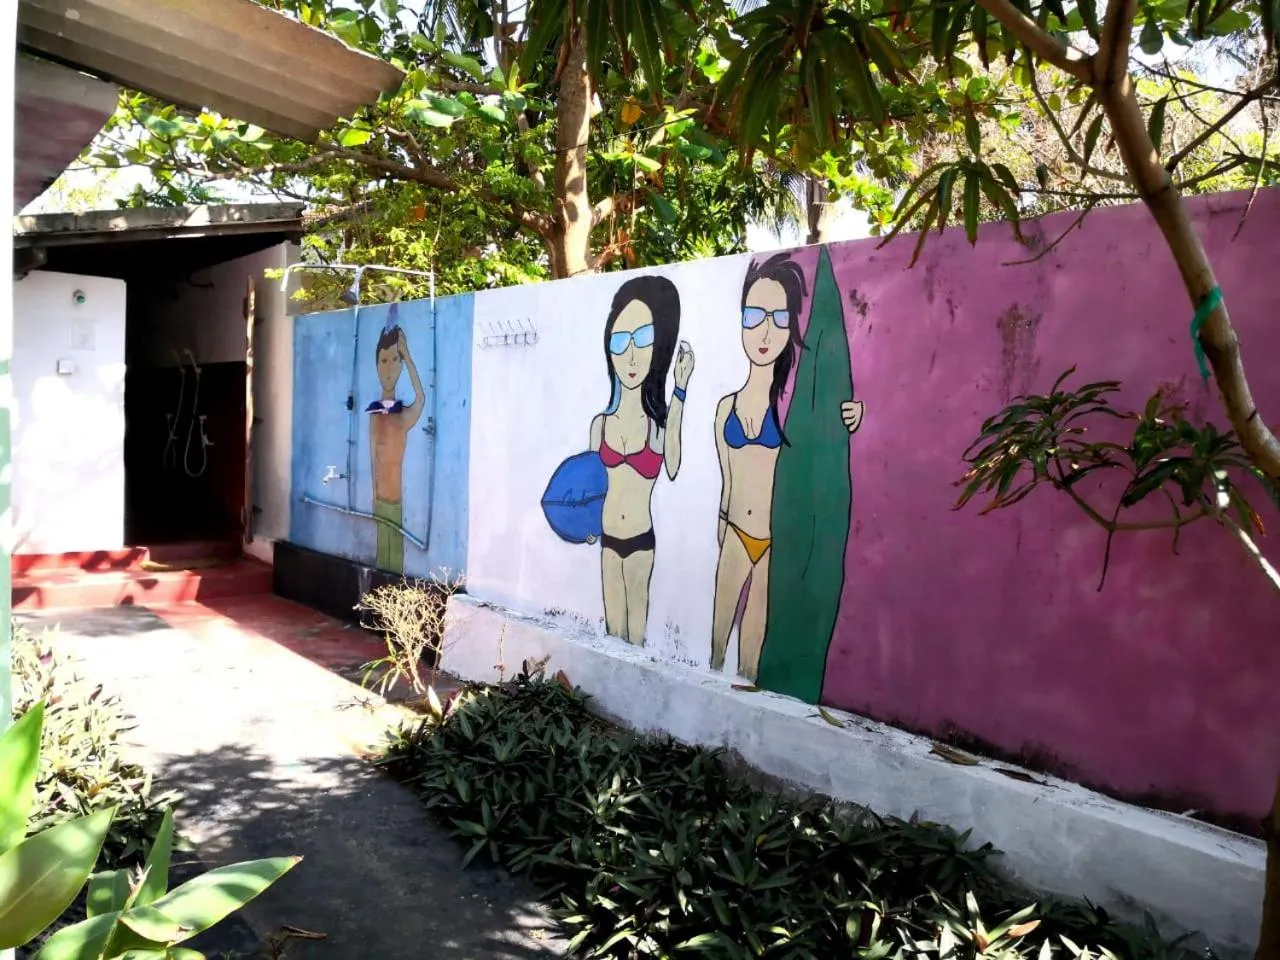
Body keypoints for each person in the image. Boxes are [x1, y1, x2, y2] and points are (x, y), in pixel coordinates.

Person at [710, 253, 863, 681]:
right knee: (715, 646)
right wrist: (720, 527)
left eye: (778, 318)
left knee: (750, 662)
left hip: (772, 546)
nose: (764, 330)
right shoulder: (725, 409)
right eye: (754, 315)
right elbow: (727, 480)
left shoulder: (792, 409)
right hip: (734, 534)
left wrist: (857, 414)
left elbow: (824, 437)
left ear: (792, 327)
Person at [585, 275, 694, 646]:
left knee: (635, 639)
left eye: (643, 338)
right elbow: (591, 483)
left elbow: (674, 465)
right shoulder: (599, 425)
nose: (631, 355)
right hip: (606, 540)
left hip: (640, 542)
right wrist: (585, 525)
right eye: (620, 341)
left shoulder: (656, 426)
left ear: (658, 346)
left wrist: (680, 390)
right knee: (611, 636)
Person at [367, 303, 423, 574]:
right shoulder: (375, 413)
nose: (389, 369)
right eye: (383, 361)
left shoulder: (403, 416)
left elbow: (420, 399)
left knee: (395, 559)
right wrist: (372, 494)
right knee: (382, 557)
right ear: (376, 364)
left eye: (394, 360)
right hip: (380, 500)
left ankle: (394, 597)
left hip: (396, 501)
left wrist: (409, 357)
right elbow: (372, 455)